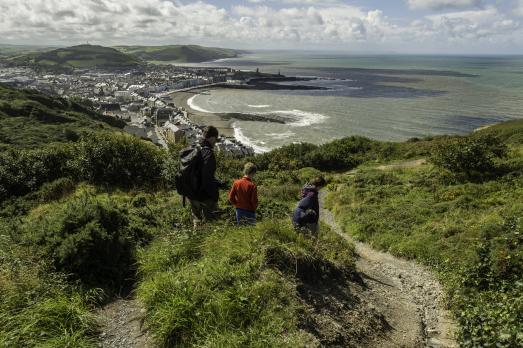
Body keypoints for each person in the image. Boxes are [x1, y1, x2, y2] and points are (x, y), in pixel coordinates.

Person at [189, 126, 222, 227]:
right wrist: (214, 196)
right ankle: (210, 242)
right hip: (204, 196)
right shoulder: (208, 153)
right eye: (216, 139)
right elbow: (206, 177)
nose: (216, 142)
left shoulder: (195, 147)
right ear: (212, 138)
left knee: (197, 222)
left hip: (191, 194)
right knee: (212, 224)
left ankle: (196, 241)